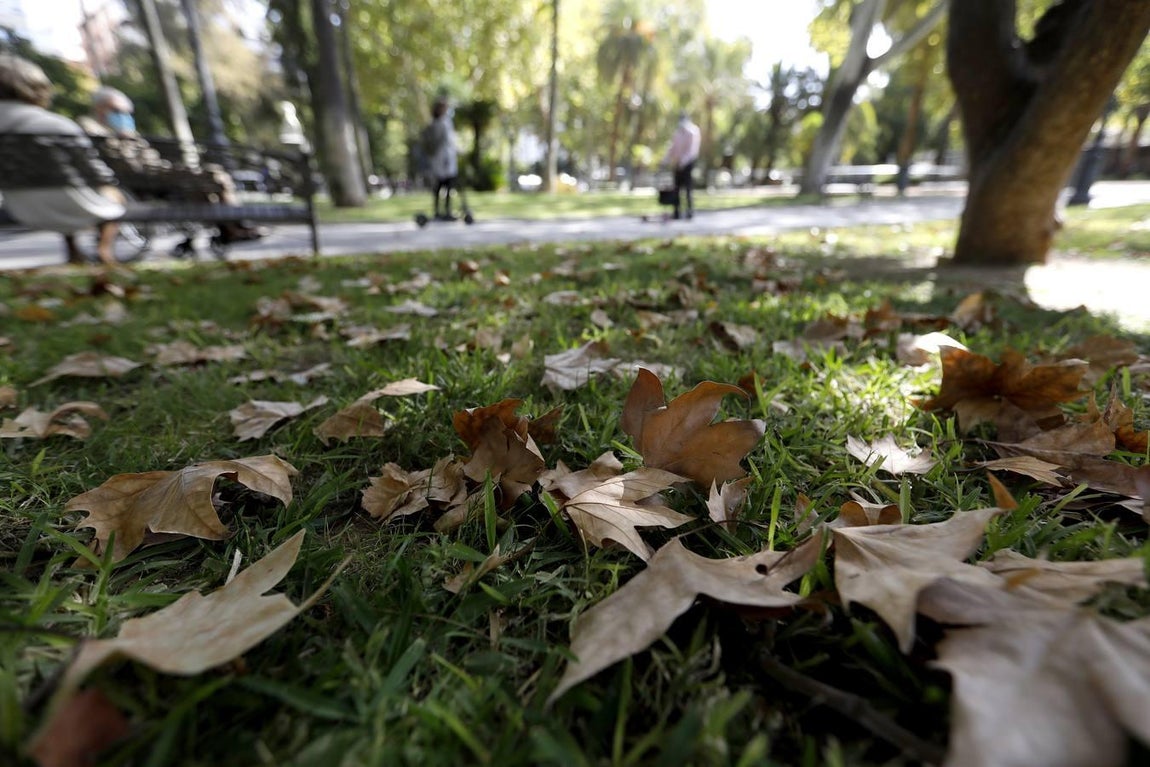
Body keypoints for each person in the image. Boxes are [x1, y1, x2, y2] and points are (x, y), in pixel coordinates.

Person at [80, 86, 263, 244]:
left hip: (156, 171)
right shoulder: (94, 129)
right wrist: (119, 139)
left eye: (127, 112)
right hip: (144, 178)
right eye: (118, 111)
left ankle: (231, 228)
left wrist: (127, 137)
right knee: (214, 176)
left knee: (207, 185)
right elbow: (124, 162)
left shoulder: (127, 132)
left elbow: (150, 155)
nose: (124, 116)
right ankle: (234, 226)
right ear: (101, 109)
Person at [0, 54, 125, 264]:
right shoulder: (57, 125)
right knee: (112, 196)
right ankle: (104, 251)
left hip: (18, 206)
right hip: (75, 203)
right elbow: (94, 171)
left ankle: (74, 253)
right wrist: (109, 186)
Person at [423, 97, 459, 221]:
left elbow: (451, 142)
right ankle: (438, 212)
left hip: (448, 158)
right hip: (440, 159)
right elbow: (439, 144)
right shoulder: (437, 124)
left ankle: (447, 210)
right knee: (439, 186)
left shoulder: (446, 122)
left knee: (448, 186)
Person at [662, 111, 701, 220]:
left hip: (688, 164)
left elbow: (692, 150)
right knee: (676, 188)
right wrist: (665, 161)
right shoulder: (677, 133)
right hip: (677, 163)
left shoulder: (693, 131)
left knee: (688, 188)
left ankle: (689, 211)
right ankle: (676, 212)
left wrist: (682, 163)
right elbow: (672, 149)